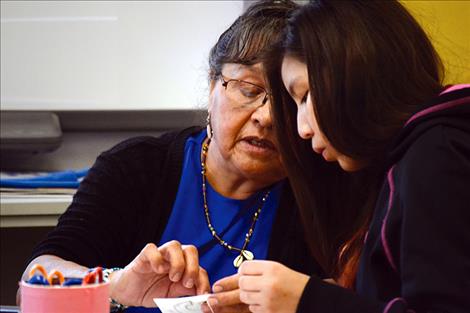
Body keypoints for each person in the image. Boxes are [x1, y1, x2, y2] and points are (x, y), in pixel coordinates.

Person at [18, 1, 332, 312]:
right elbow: (33, 283)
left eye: (289, 101)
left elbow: (356, 295)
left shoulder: (323, 190)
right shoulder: (136, 169)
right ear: (212, 88)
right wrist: (114, 285)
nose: (266, 117)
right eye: (248, 90)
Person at [212, 1, 470, 312]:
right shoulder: (412, 158)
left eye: (306, 96)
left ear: (357, 72)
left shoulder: (435, 154)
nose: (301, 129)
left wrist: (309, 300)